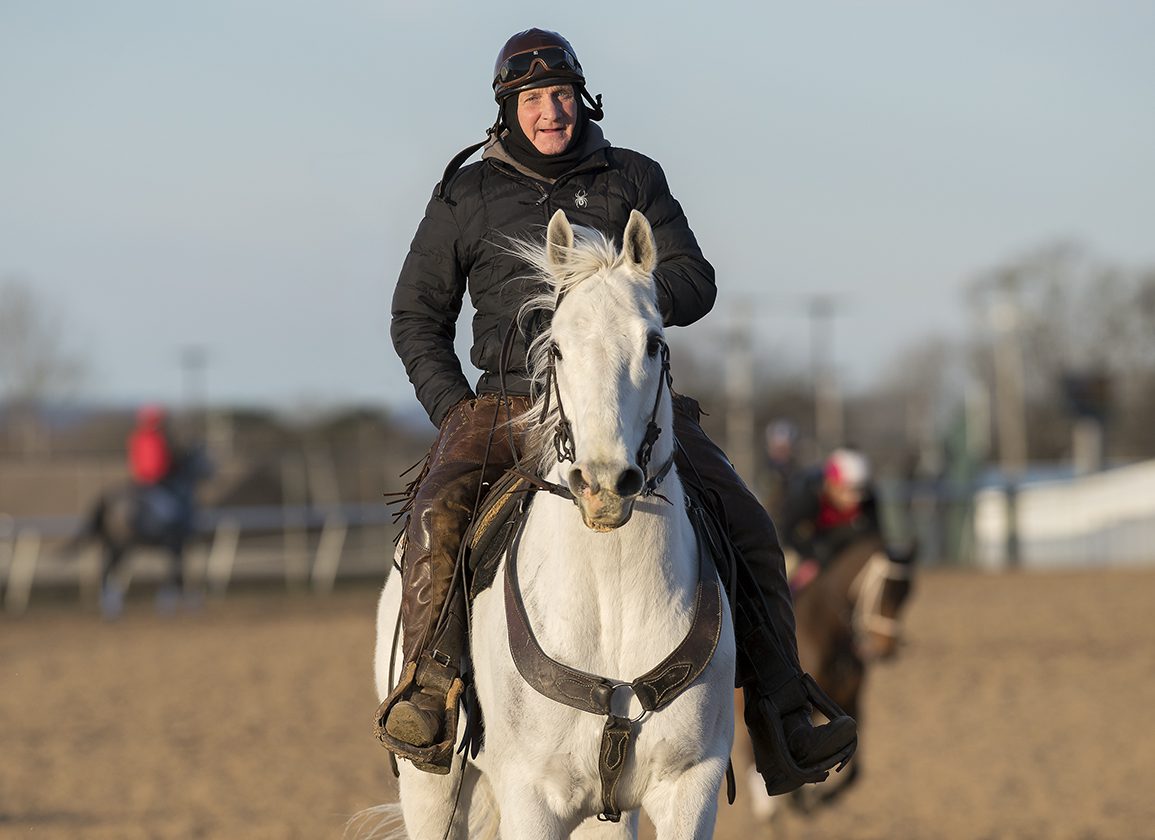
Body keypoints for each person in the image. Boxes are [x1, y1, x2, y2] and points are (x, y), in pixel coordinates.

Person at [380, 28, 856, 791]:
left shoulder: (633, 176)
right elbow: (415, 318)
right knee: (436, 510)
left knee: (749, 525)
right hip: (505, 404)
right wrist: (454, 410)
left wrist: (623, 299)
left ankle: (780, 708)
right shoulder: (463, 195)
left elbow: (695, 280)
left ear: (583, 99)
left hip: (636, 402)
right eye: (531, 99)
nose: (550, 112)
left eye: (561, 95)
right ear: (506, 110)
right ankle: (431, 687)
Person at [779, 447, 882, 592]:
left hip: (842, 549)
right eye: (849, 490)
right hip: (808, 548)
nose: (856, 498)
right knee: (787, 567)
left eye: (860, 490)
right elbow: (787, 532)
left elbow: (875, 537)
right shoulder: (808, 497)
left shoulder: (868, 501)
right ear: (832, 483)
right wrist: (810, 557)